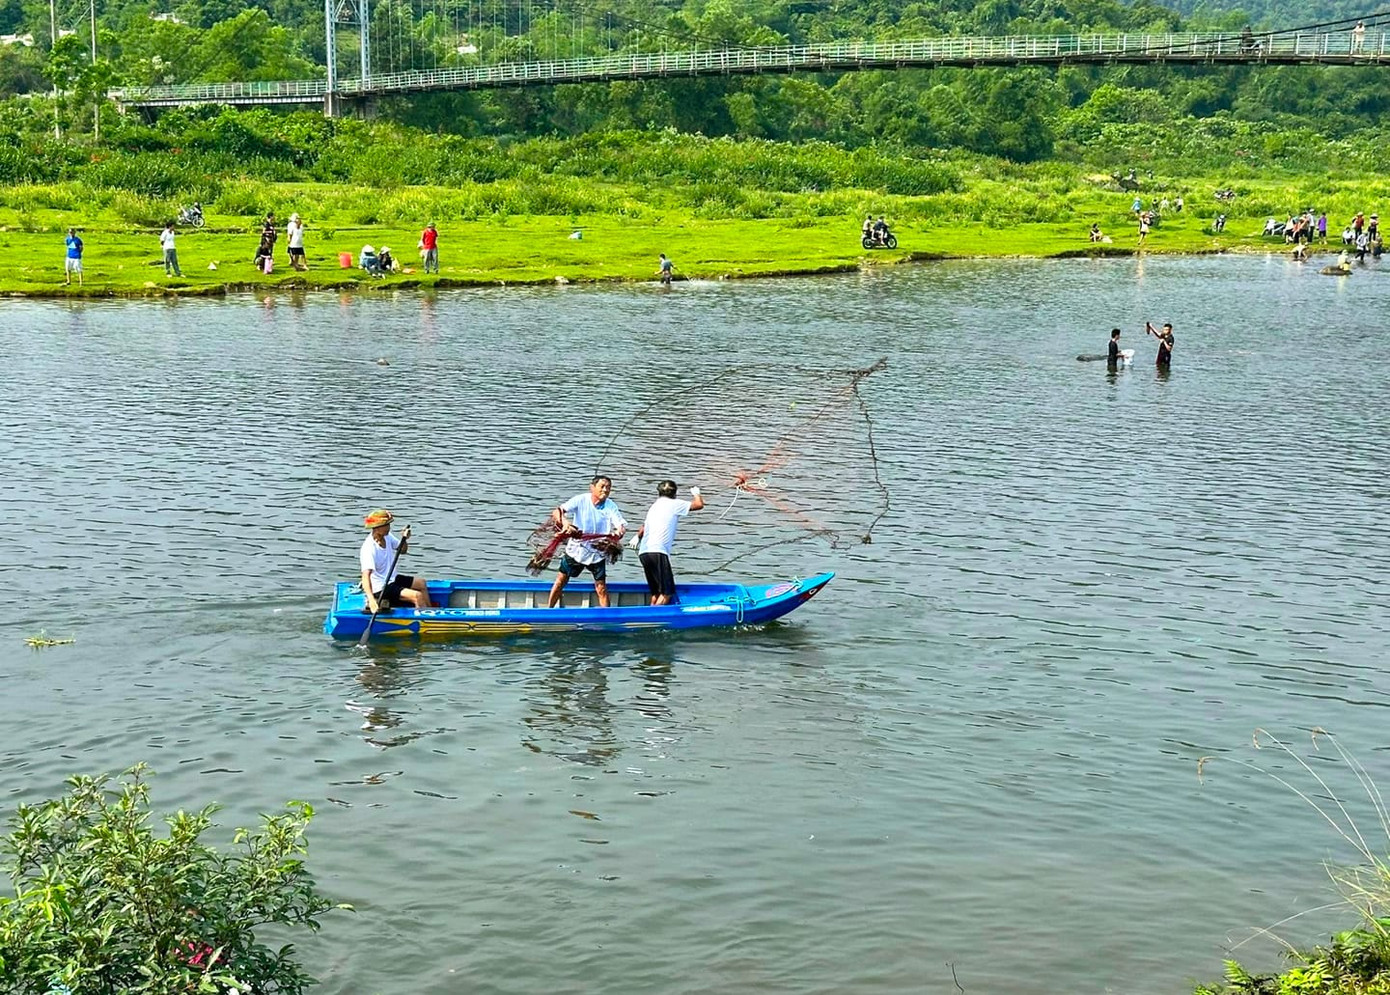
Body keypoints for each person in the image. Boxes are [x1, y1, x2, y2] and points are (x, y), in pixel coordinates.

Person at [547, 476, 627, 609]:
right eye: (602, 486)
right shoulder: (581, 500)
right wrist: (565, 523)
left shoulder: (610, 505)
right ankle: (549, 610)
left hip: (597, 552)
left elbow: (620, 525)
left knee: (601, 587)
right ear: (592, 488)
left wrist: (618, 532)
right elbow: (557, 511)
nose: (605, 490)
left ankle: (606, 618)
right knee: (561, 581)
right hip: (576, 550)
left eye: (608, 487)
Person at [628, 481, 705, 606]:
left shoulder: (654, 506)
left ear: (659, 492)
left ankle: (649, 613)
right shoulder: (675, 504)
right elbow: (699, 504)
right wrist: (696, 494)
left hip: (644, 552)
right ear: (675, 493)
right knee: (667, 593)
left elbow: (644, 527)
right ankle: (653, 619)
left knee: (656, 593)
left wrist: (637, 537)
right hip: (658, 552)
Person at [359, 509, 432, 613]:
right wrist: (371, 600)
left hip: (391, 578)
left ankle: (431, 612)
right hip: (380, 587)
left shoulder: (387, 536)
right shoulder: (369, 548)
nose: (389, 527)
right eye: (386, 525)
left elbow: (403, 550)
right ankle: (425, 621)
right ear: (377, 528)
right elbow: (365, 576)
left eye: (389, 524)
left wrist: (404, 539)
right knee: (417, 596)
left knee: (421, 583)